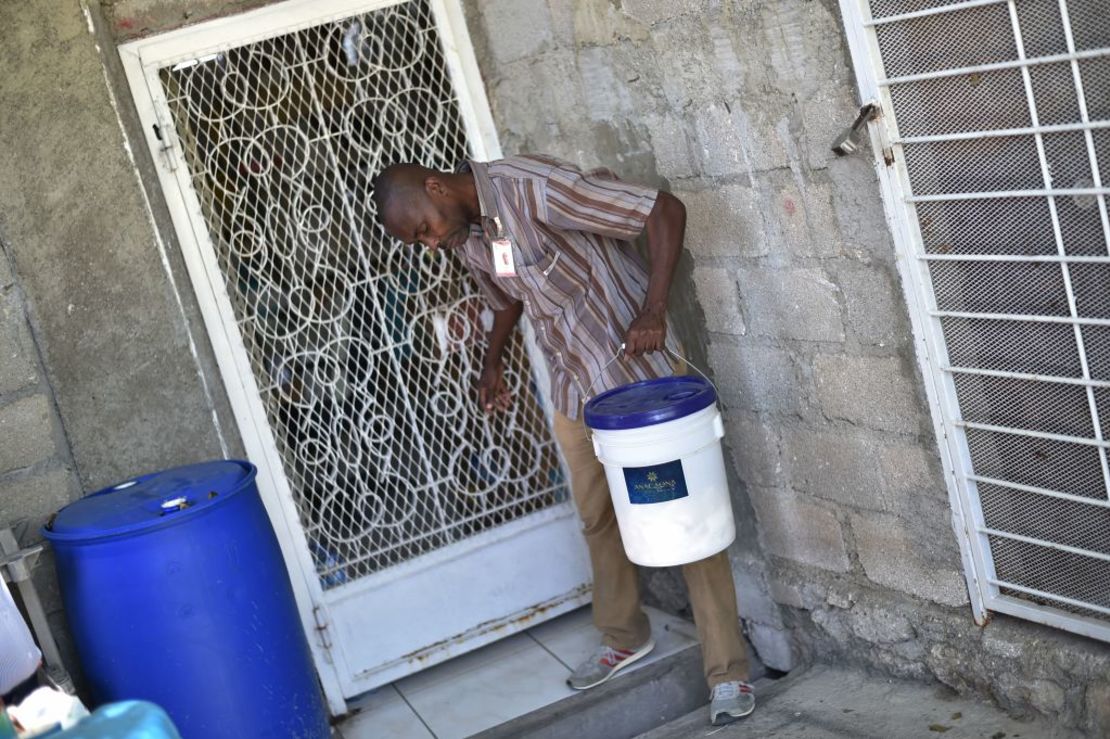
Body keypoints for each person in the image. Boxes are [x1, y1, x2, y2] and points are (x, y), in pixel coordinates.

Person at [371, 154, 755, 725]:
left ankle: (728, 674)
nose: (428, 244)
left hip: (638, 383)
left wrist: (653, 309)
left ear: (435, 188)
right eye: (418, 241)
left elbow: (662, 210)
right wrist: (492, 362)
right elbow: (505, 299)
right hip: (576, 390)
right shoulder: (465, 237)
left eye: (423, 229)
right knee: (598, 518)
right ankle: (624, 635)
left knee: (682, 516)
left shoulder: (533, 189)